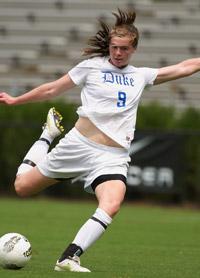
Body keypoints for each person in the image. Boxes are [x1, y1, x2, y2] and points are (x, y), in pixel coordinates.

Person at [0, 8, 200, 272]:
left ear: (134, 49)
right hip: (78, 146)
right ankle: (47, 136)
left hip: (113, 157)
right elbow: (51, 88)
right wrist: (16, 100)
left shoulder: (140, 76)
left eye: (124, 49)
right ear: (109, 45)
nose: (118, 53)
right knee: (22, 188)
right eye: (115, 47)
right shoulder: (90, 67)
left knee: (113, 203)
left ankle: (68, 258)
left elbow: (186, 66)